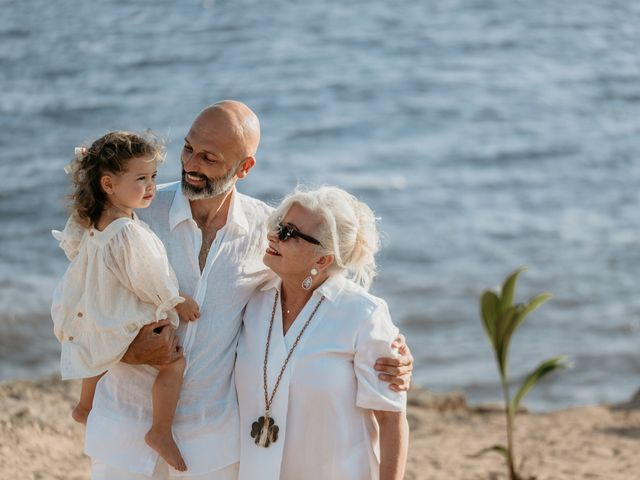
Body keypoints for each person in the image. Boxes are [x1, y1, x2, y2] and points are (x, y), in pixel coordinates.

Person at [81, 100, 413, 480]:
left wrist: (390, 353)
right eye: (188, 149)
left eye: (209, 157)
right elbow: (75, 308)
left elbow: (316, 285)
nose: (191, 165)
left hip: (215, 448)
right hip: (124, 432)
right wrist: (127, 349)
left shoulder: (265, 232)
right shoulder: (133, 214)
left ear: (244, 167)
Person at [51, 131, 202, 472]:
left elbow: (76, 249)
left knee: (98, 350)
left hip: (97, 305)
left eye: (153, 177)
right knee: (173, 362)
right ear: (109, 184)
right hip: (122, 310)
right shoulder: (128, 231)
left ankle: (85, 405)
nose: (151, 186)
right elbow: (150, 276)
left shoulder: (93, 219)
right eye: (141, 179)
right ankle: (161, 431)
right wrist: (177, 300)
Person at [236, 186, 409, 480]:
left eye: (289, 233)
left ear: (322, 260)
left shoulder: (363, 315)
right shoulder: (251, 299)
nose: (274, 236)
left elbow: (391, 419)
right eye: (278, 225)